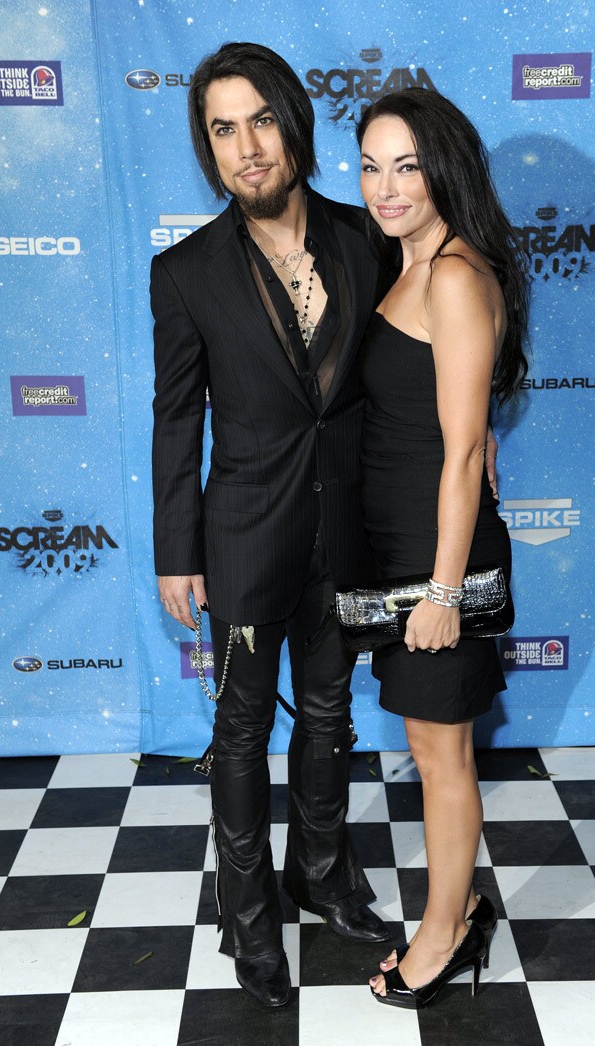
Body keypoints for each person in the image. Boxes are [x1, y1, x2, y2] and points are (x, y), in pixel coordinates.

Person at [151, 42, 394, 1009]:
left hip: (349, 534)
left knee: (330, 714)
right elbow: (177, 420)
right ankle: (249, 917)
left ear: (293, 121)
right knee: (244, 728)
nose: (246, 146)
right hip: (244, 538)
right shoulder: (186, 273)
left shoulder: (367, 235)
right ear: (207, 150)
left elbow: (411, 366)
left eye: (260, 120)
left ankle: (324, 877)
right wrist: (178, 551)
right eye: (222, 128)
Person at [356, 89, 529, 1008]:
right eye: (371, 165)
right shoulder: (406, 259)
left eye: (406, 166)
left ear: (443, 168)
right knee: (430, 746)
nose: (385, 187)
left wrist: (443, 591)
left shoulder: (455, 275)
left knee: (441, 755)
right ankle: (453, 915)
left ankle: (445, 935)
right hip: (397, 550)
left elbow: (464, 451)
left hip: (437, 559)